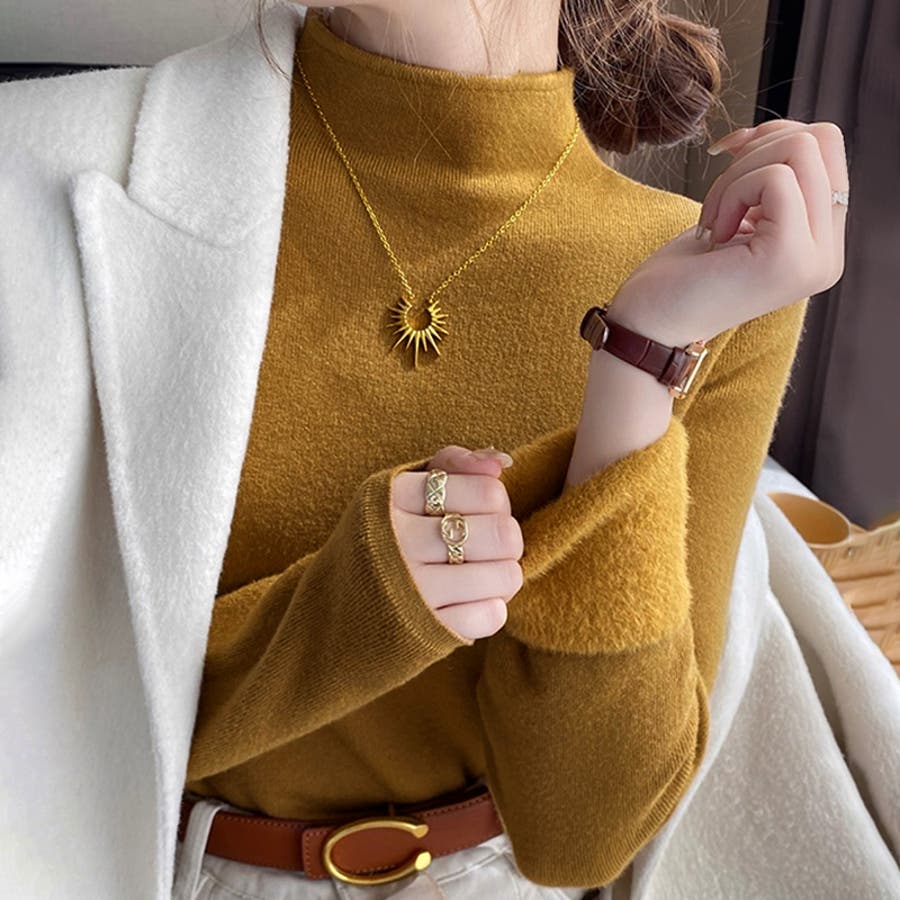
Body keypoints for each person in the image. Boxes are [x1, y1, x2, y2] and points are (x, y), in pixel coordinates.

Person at [0, 1, 848, 898]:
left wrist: (639, 360)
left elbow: (579, 837)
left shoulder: (719, 288)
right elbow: (39, 730)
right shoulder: (35, 177)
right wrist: (354, 611)